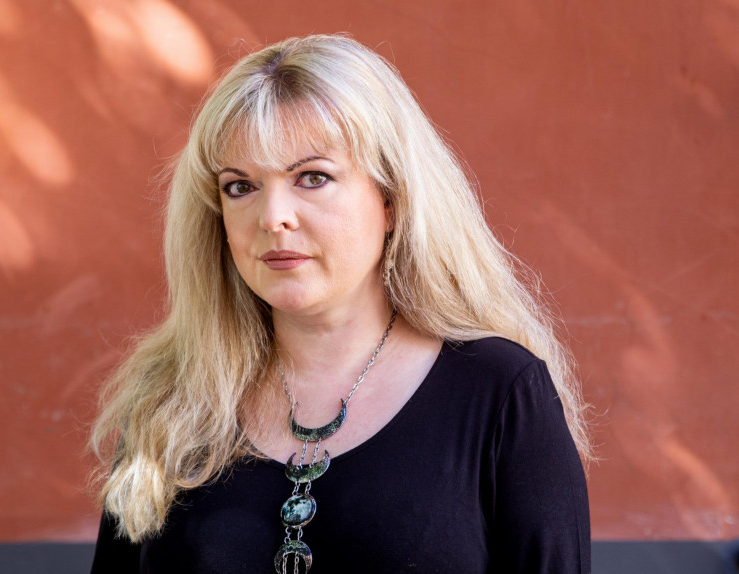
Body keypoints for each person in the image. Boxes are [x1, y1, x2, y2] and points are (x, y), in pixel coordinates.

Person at [89, 34, 592, 574]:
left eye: (313, 178)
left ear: (392, 201)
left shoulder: (500, 394)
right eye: (241, 187)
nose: (272, 217)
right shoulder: (171, 401)